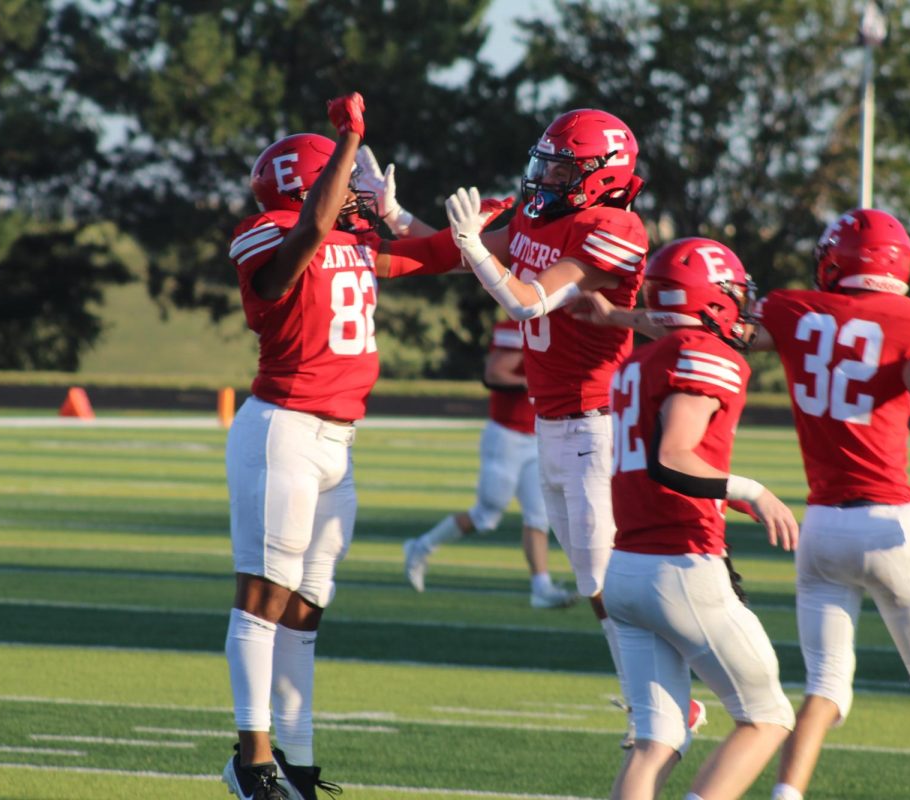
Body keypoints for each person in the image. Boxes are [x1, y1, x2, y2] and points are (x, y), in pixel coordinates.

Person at [222, 92, 510, 800]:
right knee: (263, 594)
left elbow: (443, 255)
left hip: (337, 441)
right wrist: (349, 139)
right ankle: (251, 758)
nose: (360, 191)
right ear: (309, 184)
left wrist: (518, 209)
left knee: (309, 604)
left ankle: (298, 758)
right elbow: (308, 232)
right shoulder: (266, 234)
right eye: (348, 179)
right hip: (282, 429)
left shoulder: (355, 242)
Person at [359, 109, 673, 741]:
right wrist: (392, 215)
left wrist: (476, 248)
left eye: (563, 167)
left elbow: (525, 297)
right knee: (595, 582)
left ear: (601, 175)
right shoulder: (541, 216)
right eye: (548, 161)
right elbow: (451, 254)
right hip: (553, 420)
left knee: (607, 581)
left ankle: (662, 705)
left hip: (596, 421)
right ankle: (655, 699)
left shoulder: (613, 227)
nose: (547, 175)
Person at [752, 209, 910, 800]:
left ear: (836, 260)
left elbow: (720, 330)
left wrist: (620, 314)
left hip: (821, 527)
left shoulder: (793, 309)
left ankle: (786, 796)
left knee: (826, 688)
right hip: (889, 524)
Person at [603, 238, 798, 800]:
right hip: (681, 568)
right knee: (766, 715)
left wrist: (729, 495)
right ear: (713, 301)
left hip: (627, 570)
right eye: (735, 295)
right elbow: (674, 456)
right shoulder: (705, 354)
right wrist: (754, 492)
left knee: (656, 741)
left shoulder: (638, 361)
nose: (743, 306)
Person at [402, 318, 575, 610]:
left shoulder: (560, 324)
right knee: (486, 515)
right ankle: (420, 547)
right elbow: (494, 373)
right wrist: (535, 382)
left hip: (537, 433)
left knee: (538, 516)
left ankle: (540, 587)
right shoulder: (518, 323)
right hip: (507, 434)